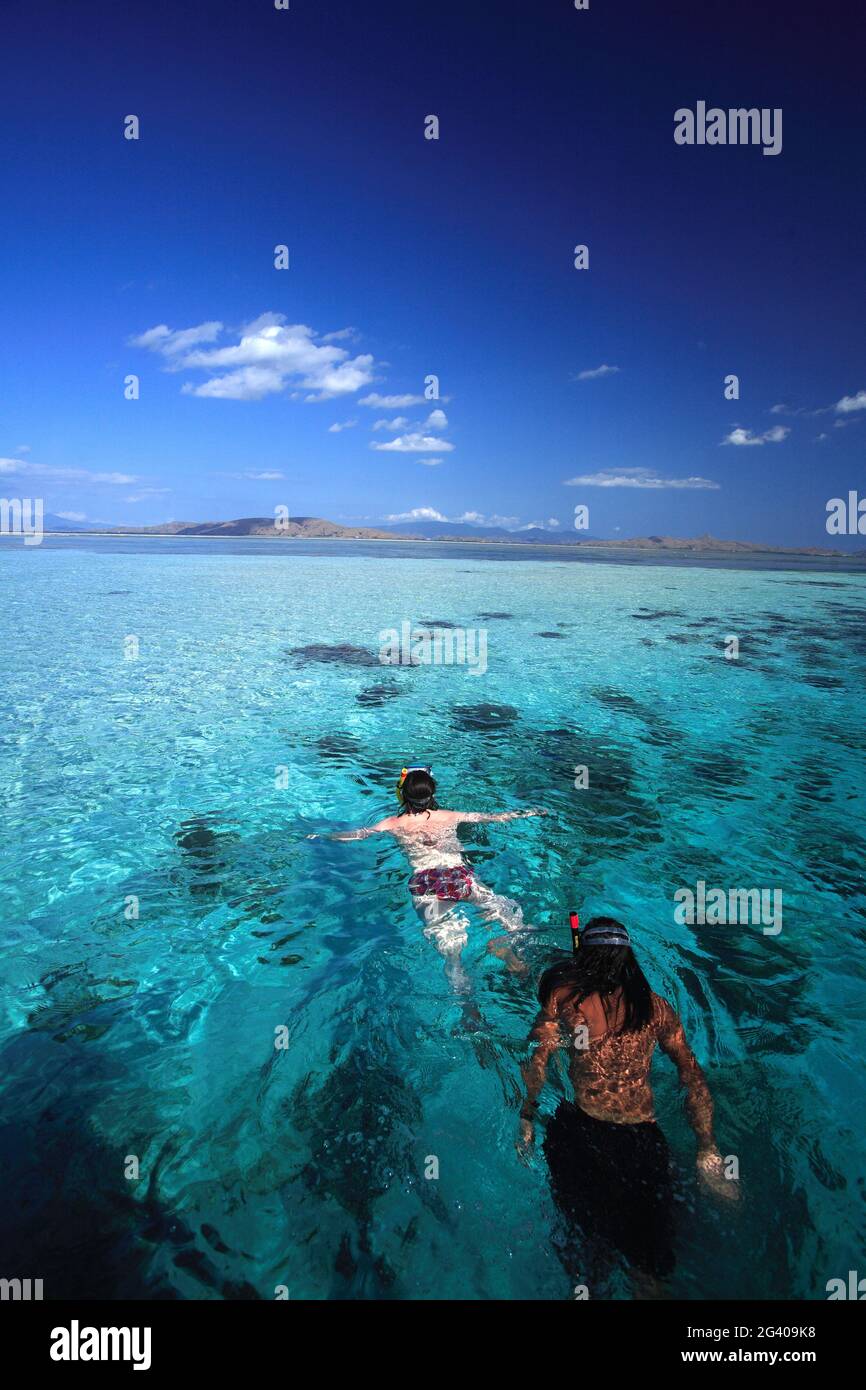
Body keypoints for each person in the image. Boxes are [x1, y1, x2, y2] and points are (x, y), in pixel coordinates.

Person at [518, 916, 737, 1291]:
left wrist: (527, 1114)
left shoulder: (566, 1000)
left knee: (585, 1257)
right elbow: (691, 1074)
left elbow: (538, 1059)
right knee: (647, 1267)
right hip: (642, 1139)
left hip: (579, 1130)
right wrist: (708, 1147)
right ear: (629, 959)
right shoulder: (656, 1009)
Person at [317, 766, 541, 991]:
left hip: (426, 884)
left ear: (403, 795)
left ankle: (467, 1008)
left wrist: (322, 836)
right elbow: (492, 818)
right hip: (458, 876)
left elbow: (358, 834)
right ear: (432, 795)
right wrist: (529, 812)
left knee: (453, 957)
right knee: (509, 918)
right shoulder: (450, 816)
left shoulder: (393, 823)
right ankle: (530, 957)